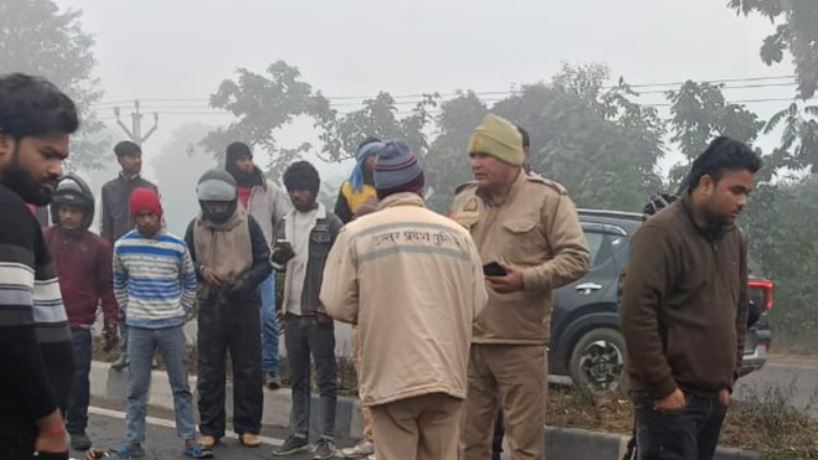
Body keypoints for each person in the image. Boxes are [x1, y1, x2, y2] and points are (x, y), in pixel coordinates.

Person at [321, 140, 488, 460]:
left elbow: (335, 303)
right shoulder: (458, 235)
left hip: (390, 378)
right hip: (446, 376)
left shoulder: (356, 234)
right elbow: (477, 304)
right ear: (420, 185)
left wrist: (374, 309)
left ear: (380, 189)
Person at [450, 113, 590, 460]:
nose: (476, 163)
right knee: (468, 446)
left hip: (520, 343)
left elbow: (577, 258)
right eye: (472, 155)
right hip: (469, 341)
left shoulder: (548, 199)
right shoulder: (464, 199)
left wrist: (525, 279)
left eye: (485, 155)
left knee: (525, 448)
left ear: (511, 157)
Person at [620, 137, 761, 460]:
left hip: (713, 397)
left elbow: (738, 310)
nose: (743, 202)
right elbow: (636, 314)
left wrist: (728, 380)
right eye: (736, 191)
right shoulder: (661, 233)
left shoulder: (734, 239)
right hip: (670, 398)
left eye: (747, 193)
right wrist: (664, 389)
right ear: (706, 184)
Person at [0, 73, 78, 460]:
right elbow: (9, 329)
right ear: (3, 143)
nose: (57, 170)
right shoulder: (7, 211)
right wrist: (51, 424)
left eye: (61, 158)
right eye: (46, 154)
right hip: (17, 430)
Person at [111, 188, 211, 459]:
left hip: (170, 326)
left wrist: (182, 309)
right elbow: (119, 281)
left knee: (180, 386)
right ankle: (133, 442)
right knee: (136, 389)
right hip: (139, 328)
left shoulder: (176, 246)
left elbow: (189, 280)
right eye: (141, 215)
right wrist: (129, 308)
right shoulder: (122, 247)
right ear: (134, 217)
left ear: (159, 214)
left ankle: (189, 440)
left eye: (150, 214)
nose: (146, 220)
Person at [184, 169, 271, 449]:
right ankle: (211, 428)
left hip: (244, 302)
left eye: (222, 204)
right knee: (210, 368)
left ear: (232, 201)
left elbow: (265, 261)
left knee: (248, 367)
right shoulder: (195, 226)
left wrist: (245, 283)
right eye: (212, 205)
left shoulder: (248, 224)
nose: (217, 210)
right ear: (204, 203)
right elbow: (183, 261)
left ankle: (248, 427)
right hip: (211, 302)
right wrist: (201, 270)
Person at [270, 161, 342, 460]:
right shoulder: (284, 222)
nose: (296, 195)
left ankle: (326, 437)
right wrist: (278, 257)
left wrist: (329, 306)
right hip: (292, 312)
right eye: (292, 189)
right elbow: (276, 264)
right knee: (298, 378)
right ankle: (299, 434)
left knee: (325, 379)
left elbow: (341, 267)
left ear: (313, 190)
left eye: (302, 189)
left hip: (318, 313)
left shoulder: (331, 223)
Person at [43, 174, 119, 452]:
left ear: (86, 214)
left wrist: (111, 321)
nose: (68, 216)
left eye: (74, 211)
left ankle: (76, 427)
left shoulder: (99, 247)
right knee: (45, 378)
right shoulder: (43, 239)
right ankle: (49, 426)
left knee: (77, 379)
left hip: (78, 326)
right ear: (55, 211)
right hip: (44, 323)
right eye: (63, 210)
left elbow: (107, 286)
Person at [224, 141, 291, 390]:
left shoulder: (267, 188)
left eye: (249, 158)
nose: (247, 163)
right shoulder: (224, 189)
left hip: (263, 264)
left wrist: (278, 246)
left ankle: (270, 368)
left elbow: (286, 216)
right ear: (232, 162)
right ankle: (241, 367)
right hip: (233, 264)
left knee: (267, 318)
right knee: (235, 319)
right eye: (242, 159)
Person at [334, 136, 383, 460]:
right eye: (371, 156)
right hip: (361, 273)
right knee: (365, 366)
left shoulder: (393, 186)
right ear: (362, 159)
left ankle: (390, 441)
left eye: (380, 156)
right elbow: (340, 228)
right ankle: (370, 438)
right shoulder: (349, 189)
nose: (376, 161)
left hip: (387, 275)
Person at [101, 140, 157, 371]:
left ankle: (148, 353)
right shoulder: (109, 189)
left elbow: (157, 223)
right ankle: (125, 350)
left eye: (139, 156)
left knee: (145, 303)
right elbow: (106, 225)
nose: (137, 160)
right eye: (132, 156)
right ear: (120, 160)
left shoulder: (149, 188)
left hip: (144, 255)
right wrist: (106, 254)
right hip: (119, 255)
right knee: (123, 305)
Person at [334, 137, 383, 224]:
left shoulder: (392, 183)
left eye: (381, 154)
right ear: (363, 158)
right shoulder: (348, 188)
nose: (378, 159)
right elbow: (340, 222)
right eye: (373, 154)